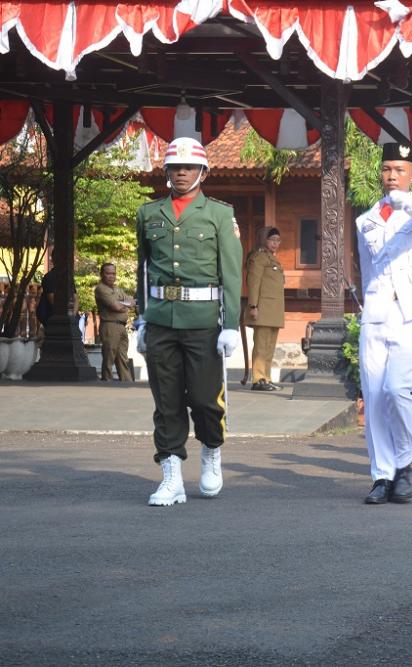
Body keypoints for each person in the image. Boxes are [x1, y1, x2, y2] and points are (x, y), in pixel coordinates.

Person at [135, 136, 242, 506]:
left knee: (204, 400)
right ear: (166, 172)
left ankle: (211, 450)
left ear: (203, 172)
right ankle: (171, 478)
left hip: (203, 321)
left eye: (189, 167)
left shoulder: (219, 214)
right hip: (162, 319)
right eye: (176, 167)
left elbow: (231, 273)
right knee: (166, 402)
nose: (182, 173)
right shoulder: (148, 214)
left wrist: (231, 324)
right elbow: (143, 271)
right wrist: (142, 318)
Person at [356, 143, 412, 504]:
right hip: (377, 314)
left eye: (400, 170)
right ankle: (382, 474)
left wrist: (403, 200)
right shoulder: (366, 220)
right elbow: (365, 268)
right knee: (374, 397)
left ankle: (406, 462)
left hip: (411, 314)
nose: (392, 175)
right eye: (387, 169)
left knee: (396, 390)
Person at [245, 227, 285, 391]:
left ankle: (266, 378)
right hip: (262, 308)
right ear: (264, 240)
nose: (275, 244)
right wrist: (253, 306)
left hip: (273, 310)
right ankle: (258, 378)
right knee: (261, 346)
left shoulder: (272, 259)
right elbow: (254, 283)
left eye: (278, 240)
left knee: (269, 346)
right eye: (272, 240)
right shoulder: (259, 257)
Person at [94, 262, 134, 381]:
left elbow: (131, 301)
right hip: (109, 325)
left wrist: (123, 304)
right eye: (108, 273)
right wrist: (125, 305)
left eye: (113, 273)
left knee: (123, 357)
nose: (111, 276)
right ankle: (107, 382)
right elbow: (116, 306)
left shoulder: (117, 289)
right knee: (109, 357)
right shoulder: (101, 288)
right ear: (102, 274)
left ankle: (127, 383)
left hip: (121, 326)